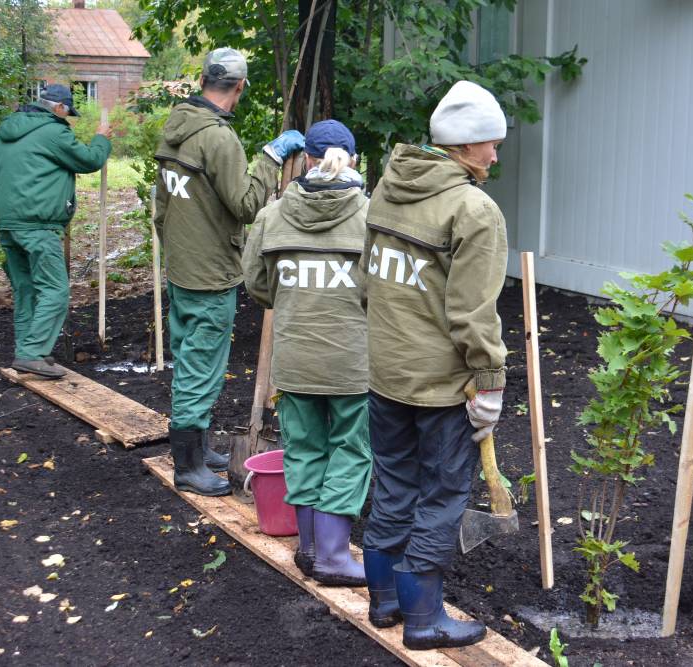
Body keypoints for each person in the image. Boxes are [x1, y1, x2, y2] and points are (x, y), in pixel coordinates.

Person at [359, 80, 508, 649]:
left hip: (385, 372)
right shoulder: (474, 209)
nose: (495, 154)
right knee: (444, 494)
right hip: (443, 387)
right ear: (464, 147)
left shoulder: (387, 189)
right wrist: (489, 380)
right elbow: (474, 312)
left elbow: (369, 285)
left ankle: (385, 601)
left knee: (394, 485)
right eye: (489, 144)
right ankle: (424, 620)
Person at [153, 47, 305, 497]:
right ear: (239, 87)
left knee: (190, 358)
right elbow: (247, 204)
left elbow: (162, 206)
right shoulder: (218, 139)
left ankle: (198, 448)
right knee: (201, 364)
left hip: (182, 263)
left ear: (203, 81)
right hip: (209, 272)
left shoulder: (176, 127)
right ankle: (188, 466)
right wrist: (271, 158)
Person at [243, 120, 371, 587]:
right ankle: (335, 556)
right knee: (350, 451)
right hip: (352, 362)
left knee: (303, 448)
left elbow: (259, 286)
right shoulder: (371, 218)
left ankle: (311, 549)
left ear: (306, 161)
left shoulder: (272, 216)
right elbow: (381, 291)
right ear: (352, 160)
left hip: (294, 360)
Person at [0, 84, 112, 379]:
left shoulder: (4, 132)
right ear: (58, 108)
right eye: (68, 112)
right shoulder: (53, 131)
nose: (68, 117)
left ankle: (27, 351)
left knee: (26, 289)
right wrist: (101, 139)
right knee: (55, 290)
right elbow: (89, 160)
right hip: (37, 223)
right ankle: (31, 354)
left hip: (7, 222)